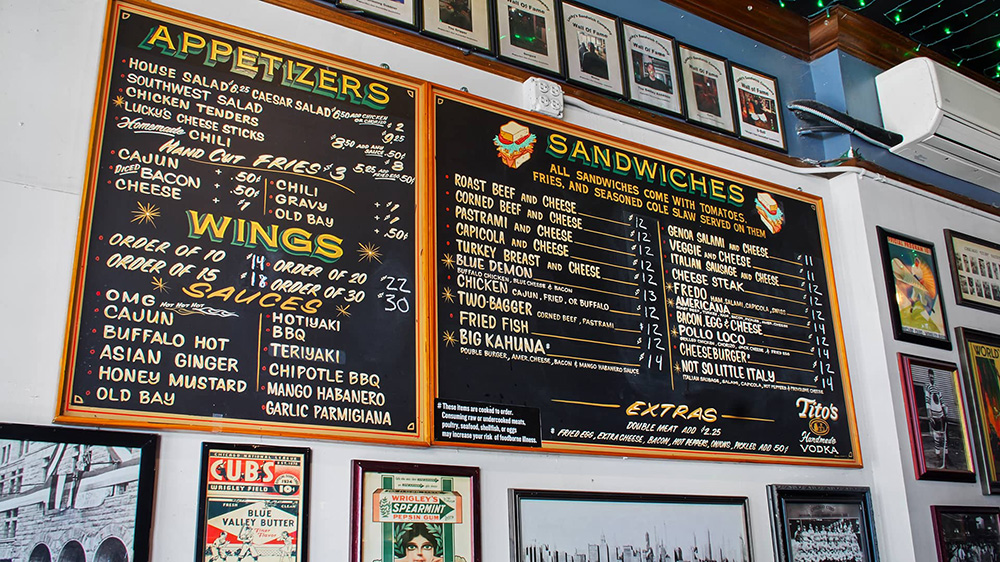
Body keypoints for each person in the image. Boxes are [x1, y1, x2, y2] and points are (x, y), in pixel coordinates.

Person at [926, 371, 948, 468]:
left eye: (932, 377)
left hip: (940, 414)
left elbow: (941, 400)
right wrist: (930, 414)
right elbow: (927, 401)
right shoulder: (927, 387)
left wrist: (944, 412)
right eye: (930, 377)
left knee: (944, 435)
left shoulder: (937, 388)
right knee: (937, 435)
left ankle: (946, 454)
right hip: (934, 414)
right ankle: (938, 454)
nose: (932, 378)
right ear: (928, 377)